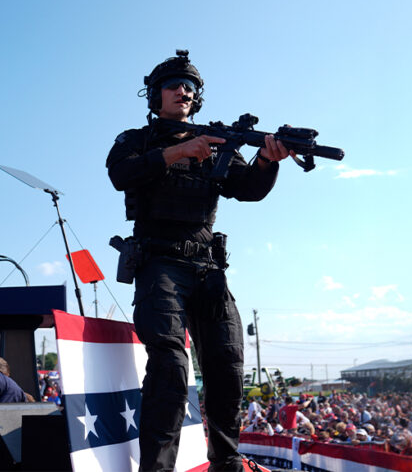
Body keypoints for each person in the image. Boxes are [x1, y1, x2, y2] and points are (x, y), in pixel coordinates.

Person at [107, 50, 292, 471]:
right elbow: (121, 175)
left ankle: (226, 463)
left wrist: (267, 161)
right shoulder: (136, 140)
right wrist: (180, 151)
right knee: (171, 368)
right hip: (160, 263)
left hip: (207, 267)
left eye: (189, 87)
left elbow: (248, 189)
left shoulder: (217, 143)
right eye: (173, 85)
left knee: (227, 367)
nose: (182, 91)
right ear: (155, 94)